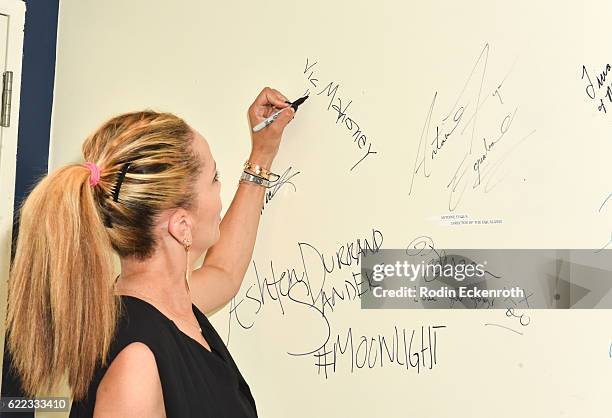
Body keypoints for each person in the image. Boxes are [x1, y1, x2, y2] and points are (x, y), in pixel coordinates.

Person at [5, 87, 297, 417]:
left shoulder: (168, 307)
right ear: (182, 226)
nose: (220, 192)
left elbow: (224, 273)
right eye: (214, 178)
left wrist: (261, 158)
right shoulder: (137, 363)